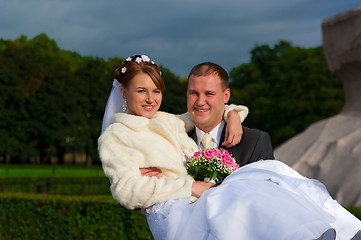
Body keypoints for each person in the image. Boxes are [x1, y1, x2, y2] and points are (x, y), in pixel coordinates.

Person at [98, 55, 361, 240]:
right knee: (237, 193)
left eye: (156, 92)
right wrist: (189, 186)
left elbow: (198, 114)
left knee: (266, 173)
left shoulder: (166, 121)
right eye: (141, 91)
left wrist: (233, 114)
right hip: (176, 209)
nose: (150, 99)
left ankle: (324, 229)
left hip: (198, 203)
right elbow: (125, 190)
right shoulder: (116, 136)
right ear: (124, 93)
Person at [186, 61, 274, 166]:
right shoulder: (173, 141)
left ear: (226, 96)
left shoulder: (255, 142)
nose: (200, 102)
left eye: (209, 94)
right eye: (194, 93)